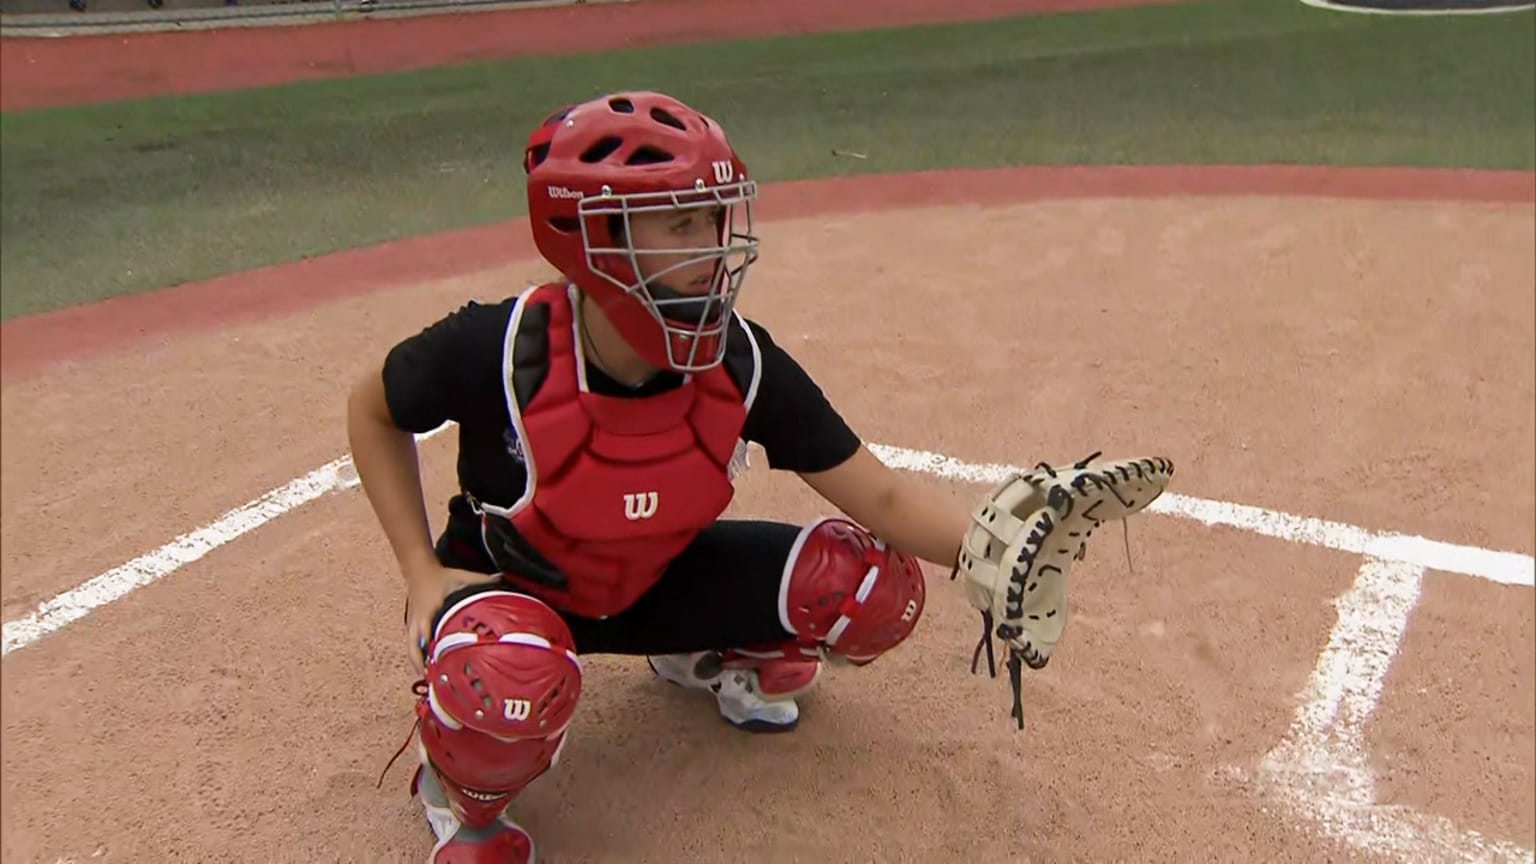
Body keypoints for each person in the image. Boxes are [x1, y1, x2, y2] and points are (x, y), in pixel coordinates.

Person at [347, 91, 1166, 864]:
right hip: (517, 590)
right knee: (507, 677)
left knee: (867, 586)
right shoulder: (500, 346)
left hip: (654, 580)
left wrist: (997, 554)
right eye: (678, 223)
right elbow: (371, 409)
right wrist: (420, 574)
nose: (712, 245)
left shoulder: (738, 358)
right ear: (593, 237)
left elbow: (874, 493)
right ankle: (459, 791)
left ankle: (703, 654)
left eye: (713, 216)